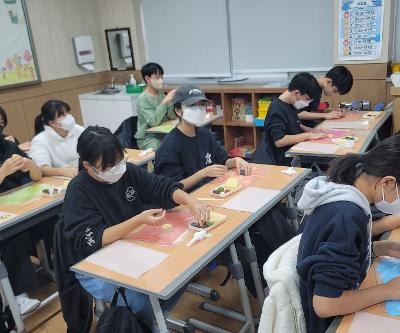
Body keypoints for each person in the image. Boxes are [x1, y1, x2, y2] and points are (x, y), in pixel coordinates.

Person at [62, 126, 210, 330]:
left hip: (131, 248)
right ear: (87, 165)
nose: (116, 168)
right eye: (107, 166)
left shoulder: (127, 172)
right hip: (95, 265)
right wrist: (138, 220)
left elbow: (161, 186)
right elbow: (96, 238)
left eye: (118, 161)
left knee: (181, 272)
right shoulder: (78, 190)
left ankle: (146, 322)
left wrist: (190, 201)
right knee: (143, 297)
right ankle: (146, 324)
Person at [296, 135, 400, 333]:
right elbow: (325, 305)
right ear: (387, 182)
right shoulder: (347, 216)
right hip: (330, 322)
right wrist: (389, 290)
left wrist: (380, 248)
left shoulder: (348, 183)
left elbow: (334, 246)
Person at [155, 85, 250, 191]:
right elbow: (172, 187)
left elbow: (223, 161)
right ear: (178, 111)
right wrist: (203, 173)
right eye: (192, 106)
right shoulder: (170, 146)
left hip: (212, 190)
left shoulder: (205, 135)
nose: (199, 110)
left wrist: (236, 160)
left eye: (202, 105)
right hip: (188, 200)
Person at [0, 135, 46, 314]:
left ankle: (66, 270)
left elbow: (37, 176)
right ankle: (19, 296)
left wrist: (30, 165)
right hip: (6, 220)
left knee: (53, 222)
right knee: (14, 235)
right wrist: (3, 171)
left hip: (22, 206)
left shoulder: (9, 146)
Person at [252, 72, 327, 166]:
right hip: (273, 162)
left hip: (287, 156)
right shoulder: (277, 108)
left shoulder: (291, 104)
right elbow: (279, 141)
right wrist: (308, 135)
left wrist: (311, 130)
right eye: (307, 99)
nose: (307, 103)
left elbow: (293, 123)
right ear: (296, 93)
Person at [29, 100, 84, 178]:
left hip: (82, 173)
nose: (68, 117)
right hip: (59, 179)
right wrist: (62, 171)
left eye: (67, 113)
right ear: (51, 123)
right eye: (62, 115)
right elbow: (41, 168)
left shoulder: (79, 129)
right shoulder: (40, 140)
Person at [135, 63, 176, 151]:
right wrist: (164, 102)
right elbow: (153, 122)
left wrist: (172, 102)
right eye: (157, 78)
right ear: (147, 79)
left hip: (163, 133)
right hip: (148, 138)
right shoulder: (143, 98)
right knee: (170, 149)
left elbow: (172, 117)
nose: (161, 80)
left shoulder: (161, 94)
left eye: (161, 77)